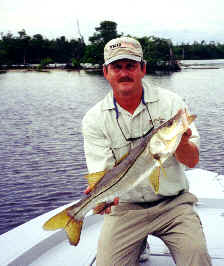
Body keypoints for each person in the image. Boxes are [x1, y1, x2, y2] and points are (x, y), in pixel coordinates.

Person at [82, 36, 212, 266]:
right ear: (106, 72)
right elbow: (101, 173)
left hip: (174, 203)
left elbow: (192, 161)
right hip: (125, 208)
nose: (124, 73)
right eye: (117, 67)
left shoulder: (171, 103)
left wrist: (181, 141)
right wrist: (102, 197)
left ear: (142, 69)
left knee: (197, 258)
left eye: (131, 66)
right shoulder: (94, 119)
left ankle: (144, 241)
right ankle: (137, 241)